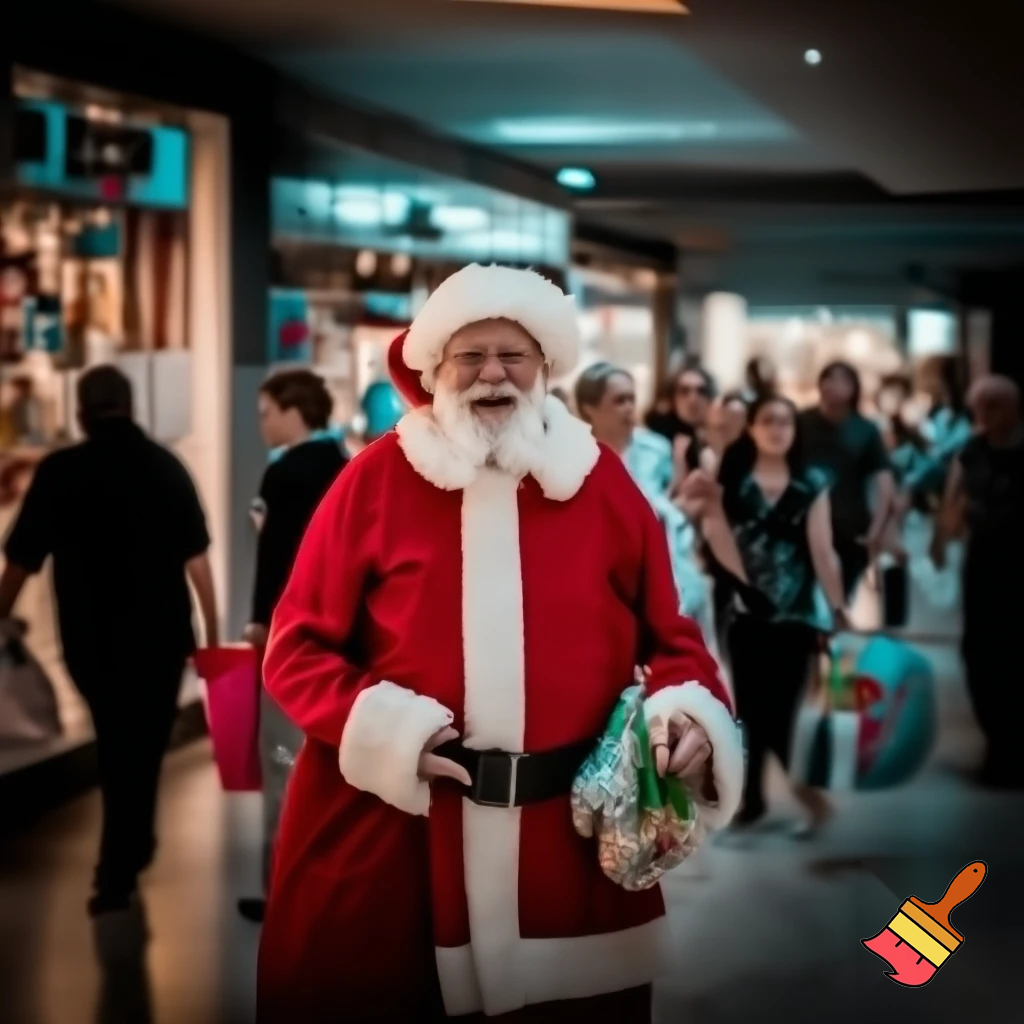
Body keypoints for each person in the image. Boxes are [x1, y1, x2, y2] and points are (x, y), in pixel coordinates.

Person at [256, 264, 742, 1022]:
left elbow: (672, 636)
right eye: (471, 356)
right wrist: (390, 732)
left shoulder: (600, 482)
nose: (492, 374)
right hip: (401, 837)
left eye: (512, 355)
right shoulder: (374, 481)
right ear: (435, 368)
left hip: (566, 844)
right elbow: (296, 649)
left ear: (544, 366)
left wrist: (685, 713)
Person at [0, 365, 218, 915]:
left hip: (90, 638)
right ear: (131, 404)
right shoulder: (165, 466)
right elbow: (197, 562)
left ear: (80, 413)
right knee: (142, 746)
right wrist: (212, 639)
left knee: (117, 742)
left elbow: (21, 561)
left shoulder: (60, 472)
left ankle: (121, 862)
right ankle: (128, 851)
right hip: (162, 637)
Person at [694, 394, 848, 833]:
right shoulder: (733, 479)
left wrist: (837, 607)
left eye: (786, 422)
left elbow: (823, 550)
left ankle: (810, 798)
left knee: (781, 714)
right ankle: (755, 801)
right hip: (746, 615)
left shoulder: (811, 483)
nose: (778, 430)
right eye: (768, 421)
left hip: (796, 618)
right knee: (750, 710)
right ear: (753, 428)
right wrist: (745, 586)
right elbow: (716, 531)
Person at [237, 369, 349, 925]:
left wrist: (260, 622)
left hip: (290, 639)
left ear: (292, 411)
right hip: (343, 644)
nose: (262, 424)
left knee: (281, 763)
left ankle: (279, 888)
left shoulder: (283, 474)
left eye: (266, 413)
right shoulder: (347, 467)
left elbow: (273, 556)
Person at [573, 362, 717, 651]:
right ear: (589, 408)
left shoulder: (655, 449)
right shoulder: (574, 458)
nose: (628, 408)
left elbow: (670, 505)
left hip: (672, 577)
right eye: (619, 400)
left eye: (631, 399)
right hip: (606, 583)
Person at [931, 374, 1024, 788]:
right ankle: (998, 745)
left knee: (1013, 655)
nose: (985, 415)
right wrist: (941, 536)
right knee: (980, 653)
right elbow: (954, 499)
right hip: (984, 561)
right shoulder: (971, 450)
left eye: (994, 406)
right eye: (979, 407)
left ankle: (1009, 752)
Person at [799, 361, 895, 602]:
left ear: (854, 388)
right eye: (829, 378)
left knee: (839, 600)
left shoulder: (865, 429)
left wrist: (877, 530)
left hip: (850, 528)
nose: (834, 385)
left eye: (843, 380)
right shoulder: (800, 423)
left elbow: (884, 480)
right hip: (802, 525)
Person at [644, 362, 718, 482]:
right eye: (684, 391)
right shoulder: (656, 443)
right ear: (672, 399)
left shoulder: (718, 439)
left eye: (701, 391)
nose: (693, 399)